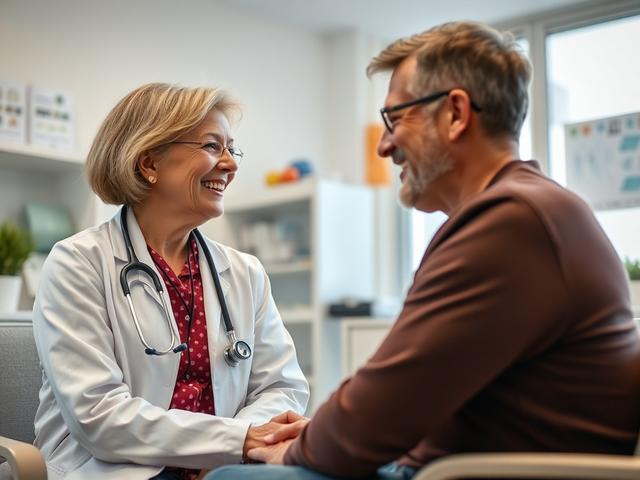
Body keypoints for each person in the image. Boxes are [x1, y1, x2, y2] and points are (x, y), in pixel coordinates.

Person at [205, 20, 640, 480]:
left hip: (473, 472)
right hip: (460, 460)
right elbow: (408, 398)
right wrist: (321, 435)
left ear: (455, 113)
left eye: (396, 118)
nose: (385, 146)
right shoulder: (534, 210)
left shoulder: (510, 221)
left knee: (230, 477)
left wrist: (300, 448)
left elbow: (380, 407)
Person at [32, 83, 309, 480]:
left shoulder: (245, 272)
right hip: (114, 470)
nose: (230, 164)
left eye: (233, 149)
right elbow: (99, 416)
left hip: (224, 470)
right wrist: (232, 441)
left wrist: (230, 451)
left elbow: (282, 387)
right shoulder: (78, 264)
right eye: (213, 146)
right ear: (149, 163)